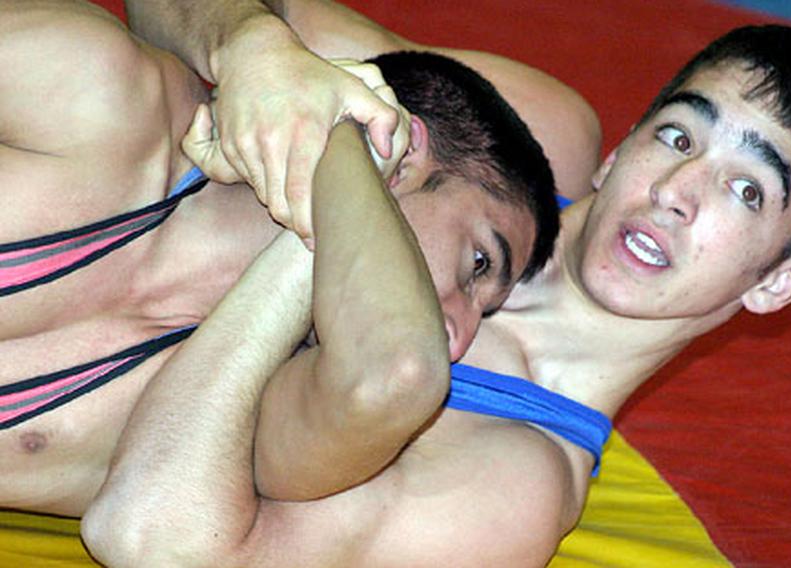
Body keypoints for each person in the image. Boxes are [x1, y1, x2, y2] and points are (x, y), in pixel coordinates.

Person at [84, 3, 791, 565]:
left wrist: (334, 194)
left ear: (778, 285)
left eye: (748, 190)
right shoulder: (533, 136)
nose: (678, 189)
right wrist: (250, 47)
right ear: (622, 151)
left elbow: (153, 537)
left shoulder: (509, 484)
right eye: (677, 136)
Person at [0, 0, 558, 516]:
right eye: (479, 264)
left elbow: (390, 378)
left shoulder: (239, 413)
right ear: (401, 151)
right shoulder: (102, 94)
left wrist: (334, 157)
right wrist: (255, 43)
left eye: (481, 315)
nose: (456, 338)